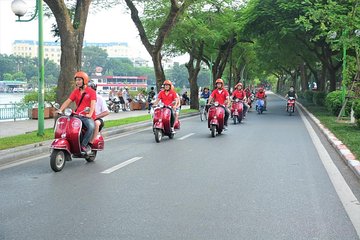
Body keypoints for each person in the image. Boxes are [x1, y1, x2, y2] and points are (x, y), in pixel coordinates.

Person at [58, 71, 96, 154]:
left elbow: (93, 104)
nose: (77, 82)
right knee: (69, 127)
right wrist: (60, 109)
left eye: (79, 80)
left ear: (84, 80)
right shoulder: (75, 92)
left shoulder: (91, 92)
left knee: (91, 127)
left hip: (87, 116)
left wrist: (89, 114)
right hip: (77, 115)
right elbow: (68, 101)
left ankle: (84, 145)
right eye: (76, 80)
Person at [88, 81, 110, 146]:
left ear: (94, 89)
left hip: (97, 118)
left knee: (96, 123)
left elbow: (106, 112)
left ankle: (91, 142)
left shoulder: (100, 98)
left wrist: (96, 116)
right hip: (86, 117)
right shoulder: (84, 98)